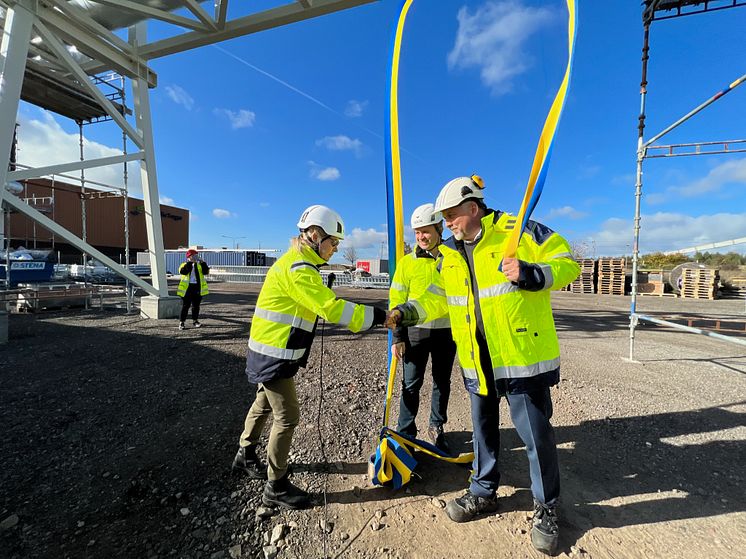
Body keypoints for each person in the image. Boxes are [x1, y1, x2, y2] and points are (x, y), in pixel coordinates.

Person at [384, 176, 579, 555]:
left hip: (518, 353)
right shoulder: (451, 255)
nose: (448, 224)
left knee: (534, 434)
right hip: (476, 356)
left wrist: (533, 274)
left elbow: (567, 261)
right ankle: (483, 490)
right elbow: (440, 299)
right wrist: (406, 313)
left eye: (452, 216)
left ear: (473, 209)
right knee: (482, 428)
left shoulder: (517, 230)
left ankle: (546, 507)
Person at [232, 205, 387, 510]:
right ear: (315, 235)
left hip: (270, 351)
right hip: (273, 355)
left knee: (263, 403)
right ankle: (275, 486)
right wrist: (378, 316)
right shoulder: (299, 270)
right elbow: (331, 308)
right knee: (288, 415)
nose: (336, 249)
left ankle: (244, 454)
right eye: (333, 242)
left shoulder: (299, 264)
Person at [389, 203, 456, 453]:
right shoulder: (406, 264)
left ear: (440, 229)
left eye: (426, 231)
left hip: (447, 333)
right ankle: (406, 432)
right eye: (417, 232)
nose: (421, 237)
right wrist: (398, 337)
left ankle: (437, 427)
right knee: (410, 385)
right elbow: (396, 301)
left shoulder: (452, 259)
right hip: (415, 334)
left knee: (442, 382)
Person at [177, 248, 209, 330]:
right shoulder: (184, 264)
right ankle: (182, 322)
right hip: (187, 289)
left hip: (197, 288)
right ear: (189, 256)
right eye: (194, 255)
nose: (196, 257)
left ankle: (195, 321)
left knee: (196, 306)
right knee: (185, 306)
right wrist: (190, 262)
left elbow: (206, 272)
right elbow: (183, 271)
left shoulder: (199, 265)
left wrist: (203, 262)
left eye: (196, 255)